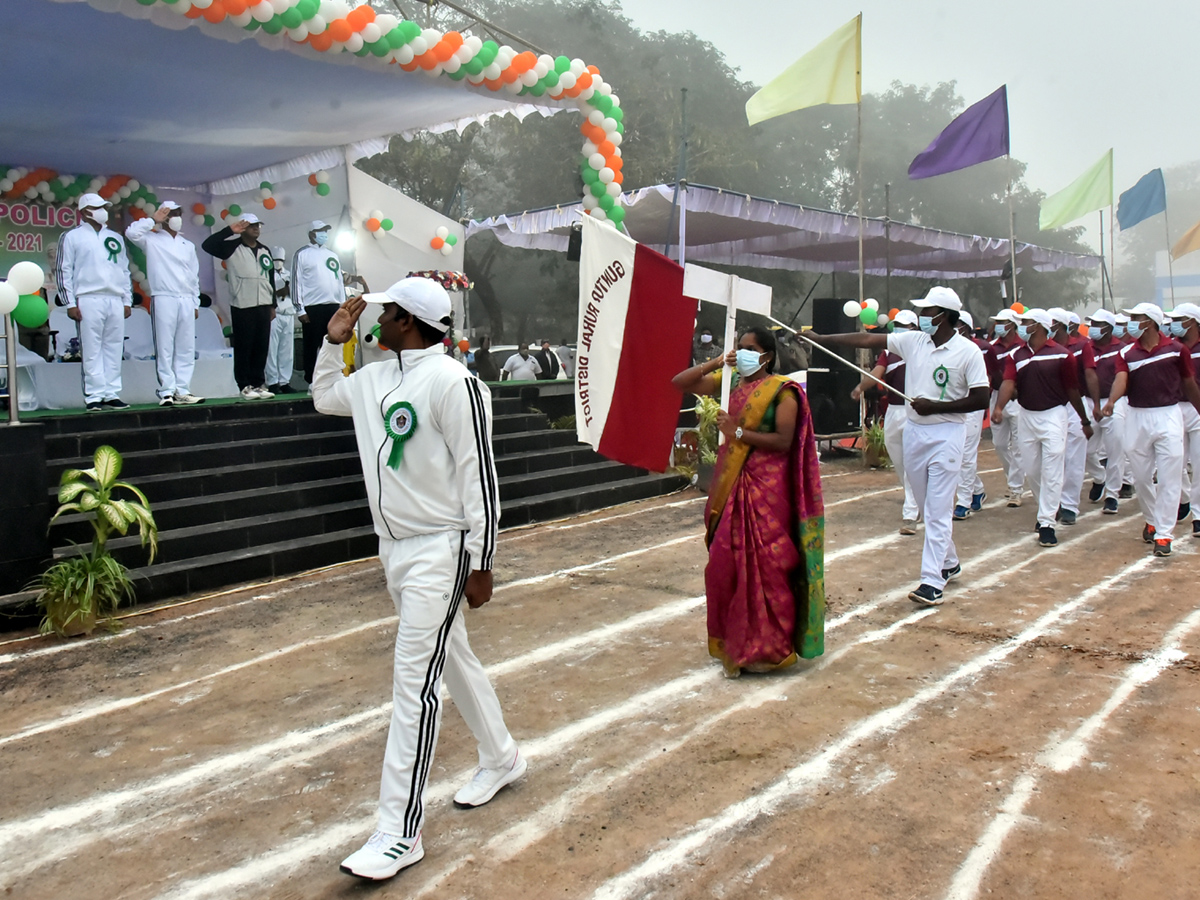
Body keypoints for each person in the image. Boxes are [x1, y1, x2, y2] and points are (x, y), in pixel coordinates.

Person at [314, 279, 522, 882]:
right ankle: (502, 755)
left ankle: (399, 832)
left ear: (407, 321)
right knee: (450, 657)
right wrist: (334, 341)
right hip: (394, 549)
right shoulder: (372, 378)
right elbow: (325, 395)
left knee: (414, 682)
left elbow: (478, 477)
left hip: (442, 548)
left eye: (383, 313)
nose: (372, 319)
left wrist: (481, 561)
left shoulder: (454, 382)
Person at [809, 286, 989, 606]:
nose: (922, 318)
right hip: (915, 434)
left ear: (945, 316)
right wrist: (822, 339)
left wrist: (935, 407)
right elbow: (868, 340)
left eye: (928, 312)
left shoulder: (968, 352)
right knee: (922, 501)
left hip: (948, 434)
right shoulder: (914, 341)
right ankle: (949, 562)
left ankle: (932, 581)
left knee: (936, 510)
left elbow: (980, 397)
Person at [671, 325, 825, 677]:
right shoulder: (730, 387)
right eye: (739, 347)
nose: (742, 353)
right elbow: (679, 383)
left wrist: (737, 432)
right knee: (723, 565)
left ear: (767, 356)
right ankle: (734, 641)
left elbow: (784, 441)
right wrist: (715, 362)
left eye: (749, 348)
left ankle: (766, 649)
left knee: (768, 568)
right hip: (733, 486)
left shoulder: (783, 392)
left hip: (768, 489)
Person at [1102, 303, 1200, 557]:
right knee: (1142, 477)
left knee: (1170, 476)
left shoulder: (1176, 351)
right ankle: (1152, 519)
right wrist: (1112, 401)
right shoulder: (1126, 354)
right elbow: (1121, 379)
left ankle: (1164, 534)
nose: (1131, 322)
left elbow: (1189, 383)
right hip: (1137, 417)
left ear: (1151, 322)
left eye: (1136, 318)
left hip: (1168, 415)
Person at [994, 309, 1093, 548]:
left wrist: (1084, 420)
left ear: (1038, 326)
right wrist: (999, 407)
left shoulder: (1063, 355)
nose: (1021, 327)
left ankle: (1047, 522)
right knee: (1033, 470)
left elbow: (1072, 390)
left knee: (1052, 468)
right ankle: (1047, 508)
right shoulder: (1016, 355)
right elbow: (1008, 382)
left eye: (1026, 323)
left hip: (1053, 416)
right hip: (1027, 416)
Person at [57, 192, 132, 411]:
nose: (102, 211)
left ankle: (111, 392)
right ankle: (94, 395)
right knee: (91, 348)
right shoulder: (72, 237)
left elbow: (124, 269)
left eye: (103, 207)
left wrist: (126, 299)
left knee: (114, 347)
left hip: (114, 298)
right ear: (84, 212)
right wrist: (70, 303)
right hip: (88, 298)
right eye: (97, 208)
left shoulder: (115, 237)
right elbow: (64, 270)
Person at [125, 201, 205, 407]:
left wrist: (195, 302)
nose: (176, 217)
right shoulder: (151, 239)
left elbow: (193, 275)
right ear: (164, 216)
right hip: (164, 296)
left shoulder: (188, 245)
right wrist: (153, 220)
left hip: (186, 298)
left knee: (186, 346)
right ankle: (167, 390)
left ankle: (183, 389)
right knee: (165, 345)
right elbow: (131, 233)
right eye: (171, 213)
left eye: (178, 213)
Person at [851, 309, 920, 534]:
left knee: (911, 461)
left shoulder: (920, 349)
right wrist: (861, 386)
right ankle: (914, 497)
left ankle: (911, 512)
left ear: (914, 329)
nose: (899, 329)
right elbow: (877, 373)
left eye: (904, 326)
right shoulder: (888, 352)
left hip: (915, 411)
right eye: (897, 325)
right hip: (894, 411)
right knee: (898, 460)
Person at [201, 214, 276, 400]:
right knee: (244, 346)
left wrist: (272, 305)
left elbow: (270, 278)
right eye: (251, 226)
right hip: (242, 303)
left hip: (263, 303)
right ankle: (244, 385)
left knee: (261, 346)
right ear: (243, 228)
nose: (256, 229)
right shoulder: (231, 247)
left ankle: (258, 383)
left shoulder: (265, 250)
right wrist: (229, 231)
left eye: (258, 225)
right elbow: (207, 245)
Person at [1047, 307, 1099, 526]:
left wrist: (1094, 404)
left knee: (1074, 457)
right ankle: (1053, 501)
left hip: (1077, 403)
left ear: (1059, 325)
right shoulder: (1043, 348)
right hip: (1053, 406)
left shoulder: (1081, 346)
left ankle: (1069, 505)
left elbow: (1089, 373)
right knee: (1053, 456)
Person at [953, 311, 1000, 520]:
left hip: (973, 405)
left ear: (965, 326)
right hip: (951, 404)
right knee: (954, 454)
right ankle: (977, 489)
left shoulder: (982, 348)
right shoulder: (945, 347)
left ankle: (963, 502)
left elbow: (994, 375)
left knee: (966, 454)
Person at [1084, 310, 1125, 514]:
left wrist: (1112, 401)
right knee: (1085, 449)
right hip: (1089, 403)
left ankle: (1112, 495)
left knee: (1114, 450)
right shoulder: (1086, 347)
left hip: (1115, 403)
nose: (1092, 327)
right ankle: (1100, 477)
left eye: (1097, 324)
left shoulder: (1122, 349)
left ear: (1108, 328)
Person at [989, 309, 1026, 506]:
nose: (999, 326)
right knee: (1000, 444)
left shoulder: (1023, 347)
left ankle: (1015, 488)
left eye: (1003, 322)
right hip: (997, 397)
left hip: (1020, 398)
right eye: (997, 322)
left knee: (1019, 446)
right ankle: (1013, 478)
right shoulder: (992, 348)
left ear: (1012, 324)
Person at [1169, 303, 1200, 535]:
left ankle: (1198, 515)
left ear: (1193, 322)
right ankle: (1185, 498)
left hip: (1197, 408)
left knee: (1198, 464)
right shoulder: (1172, 346)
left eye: (1180, 319)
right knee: (1174, 461)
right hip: (1174, 408)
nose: (1174, 323)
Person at [265, 245, 295, 394]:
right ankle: (272, 381)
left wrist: (290, 291)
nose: (278, 262)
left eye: (280, 260)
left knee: (287, 350)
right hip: (274, 314)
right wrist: (279, 292)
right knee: (272, 349)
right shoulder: (266, 274)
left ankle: (284, 381)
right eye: (276, 260)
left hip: (289, 314)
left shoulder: (290, 275)